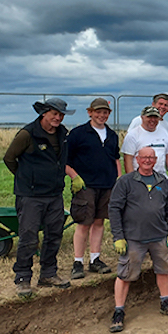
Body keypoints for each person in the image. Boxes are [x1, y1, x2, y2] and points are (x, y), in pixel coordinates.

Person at [3, 98, 75, 297]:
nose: (58, 118)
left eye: (61, 115)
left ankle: (48, 274)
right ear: (44, 113)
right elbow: (9, 158)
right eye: (54, 113)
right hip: (31, 196)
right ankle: (23, 278)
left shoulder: (63, 134)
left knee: (54, 235)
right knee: (28, 237)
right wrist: (26, 179)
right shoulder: (27, 134)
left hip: (54, 194)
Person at [108, 147, 168, 333]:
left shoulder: (162, 181)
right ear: (137, 160)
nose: (148, 160)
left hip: (159, 236)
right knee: (125, 274)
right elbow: (114, 209)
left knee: (164, 269)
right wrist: (118, 237)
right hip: (133, 238)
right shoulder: (126, 181)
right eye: (144, 157)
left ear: (156, 160)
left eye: (151, 157)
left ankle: (165, 302)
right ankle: (118, 311)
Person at [65, 98, 121, 279]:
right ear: (90, 112)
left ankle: (95, 259)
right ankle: (78, 262)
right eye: (98, 112)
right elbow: (64, 160)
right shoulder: (78, 133)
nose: (101, 115)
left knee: (99, 222)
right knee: (83, 223)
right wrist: (75, 177)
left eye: (105, 113)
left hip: (107, 185)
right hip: (86, 186)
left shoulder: (112, 135)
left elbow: (115, 158)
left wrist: (119, 178)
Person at [121, 106, 168, 191]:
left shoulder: (164, 132)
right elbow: (128, 160)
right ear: (142, 117)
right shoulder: (133, 135)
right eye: (149, 117)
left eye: (155, 117)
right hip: (140, 180)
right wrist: (132, 181)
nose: (152, 120)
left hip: (160, 180)